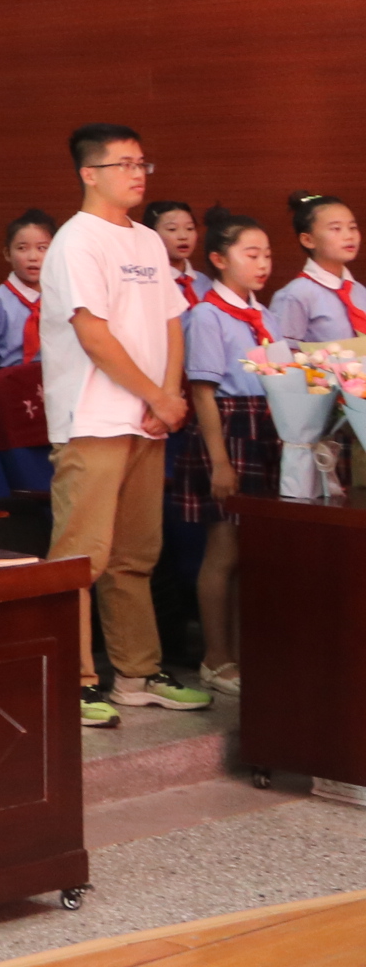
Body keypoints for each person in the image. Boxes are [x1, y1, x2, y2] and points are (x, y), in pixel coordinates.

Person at [42, 125, 209, 726]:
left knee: (136, 555)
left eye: (143, 163)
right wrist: (155, 396)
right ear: (89, 173)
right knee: (80, 559)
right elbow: (93, 335)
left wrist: (168, 397)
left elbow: (170, 323)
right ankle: (73, 680)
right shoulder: (76, 241)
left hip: (147, 419)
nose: (138, 174)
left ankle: (137, 674)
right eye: (125, 164)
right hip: (93, 418)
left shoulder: (146, 241)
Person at [173, 207, 275, 699]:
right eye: (251, 254)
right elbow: (203, 392)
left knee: (251, 551)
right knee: (224, 548)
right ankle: (215, 657)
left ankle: (241, 652)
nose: (263, 263)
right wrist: (220, 462)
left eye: (267, 254)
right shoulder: (207, 315)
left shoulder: (264, 315)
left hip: (265, 428)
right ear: (218, 258)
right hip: (229, 431)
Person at [266, 193, 364, 345]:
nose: (349, 236)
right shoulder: (295, 295)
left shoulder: (360, 291)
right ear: (308, 240)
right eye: (336, 229)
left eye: (352, 227)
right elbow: (282, 353)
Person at [0, 211, 57, 371]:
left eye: (42, 248)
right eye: (22, 248)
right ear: (7, 254)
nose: (33, 257)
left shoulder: (61, 299)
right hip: (8, 382)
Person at [147, 201, 207, 306]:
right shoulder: (147, 282)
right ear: (151, 234)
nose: (183, 236)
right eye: (172, 229)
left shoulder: (204, 282)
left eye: (190, 228)